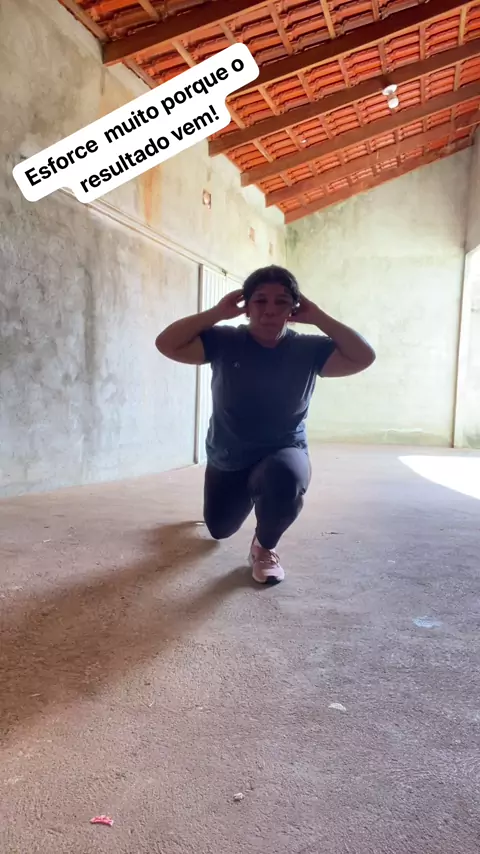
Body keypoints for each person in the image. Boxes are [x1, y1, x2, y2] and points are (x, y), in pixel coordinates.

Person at [155, 265, 375, 585]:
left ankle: (264, 546)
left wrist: (319, 317)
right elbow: (167, 344)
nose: (270, 310)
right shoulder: (224, 340)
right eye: (260, 300)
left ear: (293, 309)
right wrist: (216, 313)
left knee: (284, 479)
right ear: (247, 306)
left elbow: (363, 356)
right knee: (219, 529)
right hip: (229, 455)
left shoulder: (309, 349)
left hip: (284, 449)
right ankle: (252, 492)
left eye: (281, 302)